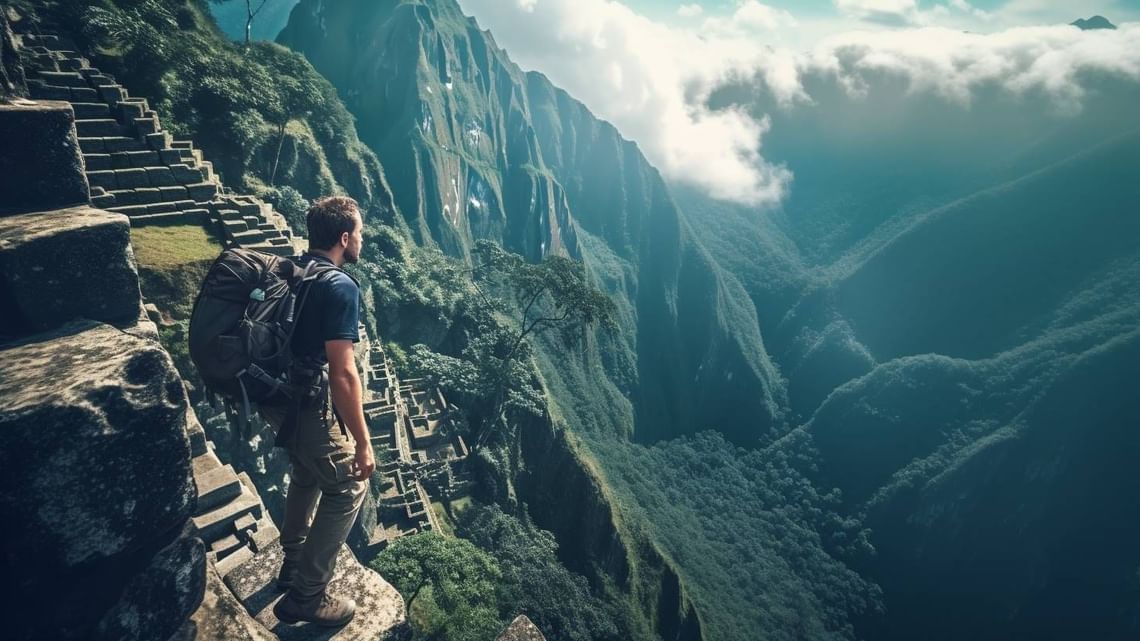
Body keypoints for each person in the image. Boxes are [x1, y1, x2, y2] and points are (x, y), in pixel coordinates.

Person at [258, 196, 375, 627]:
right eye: (359, 233)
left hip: (274, 397)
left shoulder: (291, 270)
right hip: (304, 401)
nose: (362, 240)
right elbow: (344, 374)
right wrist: (363, 444)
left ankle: (292, 562)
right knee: (348, 485)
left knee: (308, 471)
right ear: (344, 238)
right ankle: (305, 597)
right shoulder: (340, 286)